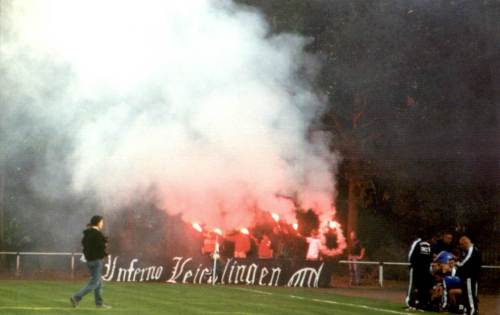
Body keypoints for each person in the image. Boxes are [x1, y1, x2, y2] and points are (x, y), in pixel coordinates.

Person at [70, 215, 111, 309]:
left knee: (99, 282)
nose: (102, 224)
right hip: (96, 261)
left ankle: (99, 303)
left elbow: (86, 246)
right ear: (97, 222)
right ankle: (76, 297)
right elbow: (100, 247)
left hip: (90, 261)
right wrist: (105, 244)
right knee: (94, 283)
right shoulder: (97, 234)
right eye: (101, 222)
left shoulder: (87, 233)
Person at [405, 234, 433, 311]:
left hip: (416, 268)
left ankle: (411, 303)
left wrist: (411, 264)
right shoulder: (429, 245)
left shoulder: (417, 243)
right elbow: (430, 258)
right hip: (425, 269)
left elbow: (411, 255)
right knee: (422, 286)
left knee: (413, 285)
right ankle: (421, 304)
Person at [456, 236, 481, 315]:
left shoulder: (471, 250)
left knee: (470, 294)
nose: (461, 247)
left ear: (465, 243)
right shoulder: (474, 250)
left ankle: (472, 311)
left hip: (470, 276)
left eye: (462, 244)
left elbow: (465, 262)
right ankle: (470, 310)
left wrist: (457, 264)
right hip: (473, 276)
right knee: (469, 294)